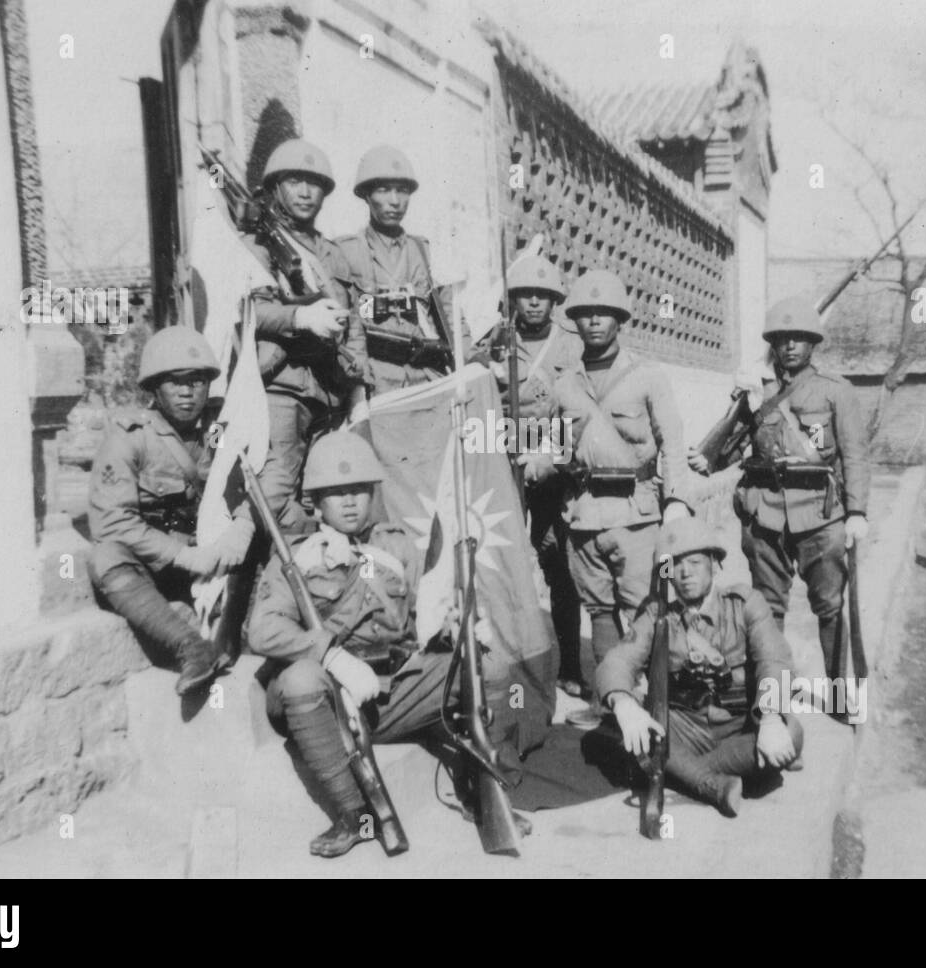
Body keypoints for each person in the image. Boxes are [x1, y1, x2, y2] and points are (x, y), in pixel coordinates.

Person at [246, 431, 526, 857]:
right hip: (331, 699)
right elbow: (262, 630)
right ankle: (353, 815)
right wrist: (330, 654)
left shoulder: (395, 546)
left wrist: (452, 628)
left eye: (358, 489)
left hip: (392, 690)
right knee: (300, 680)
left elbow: (421, 618)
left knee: (490, 667)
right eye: (335, 493)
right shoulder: (298, 555)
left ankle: (483, 789)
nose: (349, 501)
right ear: (316, 501)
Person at [535, 269, 691, 725]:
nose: (595, 322)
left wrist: (677, 500)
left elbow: (673, 441)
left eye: (604, 313)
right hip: (583, 517)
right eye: (585, 314)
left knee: (650, 609)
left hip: (639, 515)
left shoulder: (647, 376)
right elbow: (552, 446)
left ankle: (667, 704)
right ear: (575, 322)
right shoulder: (564, 384)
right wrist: (540, 461)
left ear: (620, 319)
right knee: (600, 613)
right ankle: (613, 708)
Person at [692, 295, 870, 687]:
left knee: (829, 604)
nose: (790, 345)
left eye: (800, 338)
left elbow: (855, 455)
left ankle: (840, 692)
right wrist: (742, 402)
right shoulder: (757, 390)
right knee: (767, 606)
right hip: (764, 511)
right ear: (773, 344)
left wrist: (857, 512)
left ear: (813, 344)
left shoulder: (835, 391)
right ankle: (771, 691)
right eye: (782, 338)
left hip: (820, 515)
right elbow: (723, 451)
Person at [597, 517, 803, 817]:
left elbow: (775, 661)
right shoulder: (657, 614)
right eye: (675, 565)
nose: (685, 573)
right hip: (682, 727)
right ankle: (712, 785)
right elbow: (618, 660)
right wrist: (624, 705)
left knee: (791, 735)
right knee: (620, 725)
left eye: (694, 562)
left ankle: (681, 774)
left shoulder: (744, 603)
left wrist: (770, 719)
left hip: (739, 725)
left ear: (713, 563)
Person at [88, 327, 255, 695]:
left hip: (210, 555)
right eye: (174, 382)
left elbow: (247, 478)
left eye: (196, 381)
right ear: (154, 388)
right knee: (106, 558)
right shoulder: (131, 437)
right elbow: (113, 522)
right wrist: (183, 556)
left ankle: (235, 640)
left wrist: (242, 527)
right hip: (159, 560)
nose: (186, 392)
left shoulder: (216, 430)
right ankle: (190, 647)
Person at [468, 254, 584, 693]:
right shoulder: (496, 338)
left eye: (542, 295)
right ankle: (508, 659)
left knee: (561, 566)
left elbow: (581, 413)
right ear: (512, 299)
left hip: (555, 467)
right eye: (524, 295)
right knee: (502, 559)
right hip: (505, 463)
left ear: (555, 300)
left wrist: (548, 457)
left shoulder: (571, 345)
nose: (533, 302)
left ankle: (570, 667)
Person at [245, 138, 371, 532]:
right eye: (295, 181)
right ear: (276, 187)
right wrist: (301, 316)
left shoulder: (333, 254)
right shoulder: (259, 247)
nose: (304, 192)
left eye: (314, 184)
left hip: (330, 391)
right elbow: (252, 312)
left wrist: (358, 391)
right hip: (283, 388)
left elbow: (353, 325)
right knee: (276, 493)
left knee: (326, 492)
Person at [335, 145, 465, 395]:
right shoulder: (348, 251)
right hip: (377, 381)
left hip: (427, 377)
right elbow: (350, 323)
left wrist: (471, 358)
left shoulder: (425, 251)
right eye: (383, 190)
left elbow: (451, 315)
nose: (395, 201)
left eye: (402, 191)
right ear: (366, 195)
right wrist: (358, 390)